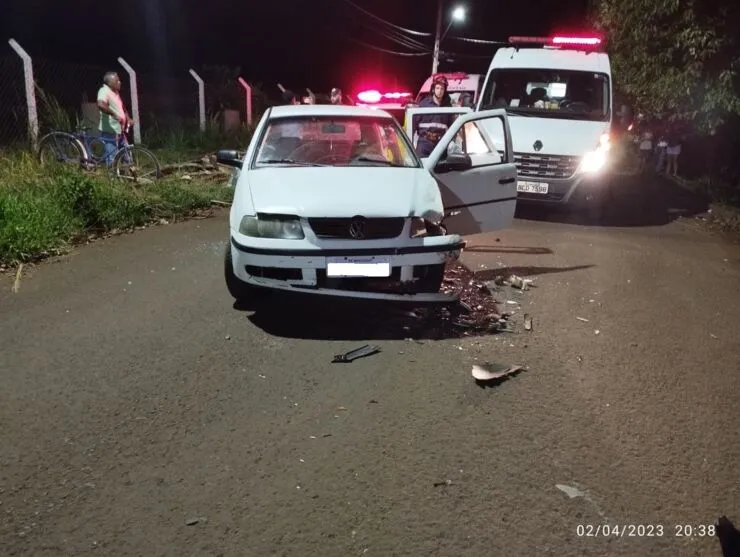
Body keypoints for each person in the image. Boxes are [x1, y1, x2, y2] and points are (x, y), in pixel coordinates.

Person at [413, 75, 455, 157]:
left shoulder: (448, 107)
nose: (440, 91)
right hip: (424, 144)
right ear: (433, 89)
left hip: (441, 144)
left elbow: (452, 127)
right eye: (438, 88)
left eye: (442, 89)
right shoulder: (423, 105)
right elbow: (413, 126)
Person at [96, 71, 132, 166]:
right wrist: (113, 114)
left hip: (119, 129)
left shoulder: (115, 92)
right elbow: (100, 104)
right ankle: (112, 177)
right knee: (112, 158)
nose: (119, 82)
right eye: (117, 81)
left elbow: (122, 108)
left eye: (119, 80)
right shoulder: (104, 91)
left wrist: (128, 118)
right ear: (109, 83)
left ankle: (127, 172)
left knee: (126, 153)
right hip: (110, 130)